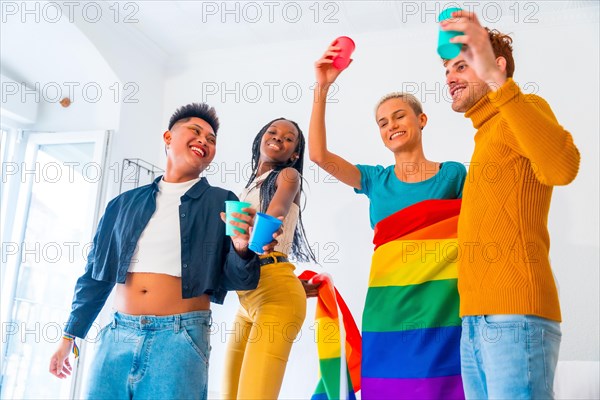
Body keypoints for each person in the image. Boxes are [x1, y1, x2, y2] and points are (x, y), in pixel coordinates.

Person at [48, 103, 274, 400]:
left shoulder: (224, 203)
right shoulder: (123, 204)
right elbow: (94, 275)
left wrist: (242, 248)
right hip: (117, 334)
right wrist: (69, 336)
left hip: (180, 340)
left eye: (211, 139)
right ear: (168, 138)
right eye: (195, 131)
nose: (204, 140)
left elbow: (241, 281)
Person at [309, 43, 467, 399]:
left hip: (441, 311)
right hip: (386, 312)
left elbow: (477, 229)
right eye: (383, 122)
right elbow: (318, 155)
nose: (391, 125)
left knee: (441, 390)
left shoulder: (453, 175)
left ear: (421, 120)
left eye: (399, 116)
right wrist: (323, 86)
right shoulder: (374, 180)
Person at [440, 10, 580, 399]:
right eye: (447, 69)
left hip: (515, 317)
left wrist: (500, 84)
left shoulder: (523, 109)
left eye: (462, 66)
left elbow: (563, 167)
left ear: (495, 65)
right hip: (475, 321)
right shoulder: (485, 135)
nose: (450, 77)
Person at [221, 117, 317, 400]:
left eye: (290, 138)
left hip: (275, 293)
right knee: (229, 394)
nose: (279, 138)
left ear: (295, 153)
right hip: (246, 297)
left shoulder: (288, 176)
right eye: (273, 132)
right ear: (261, 138)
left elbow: (275, 215)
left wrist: (255, 239)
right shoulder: (248, 188)